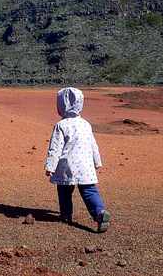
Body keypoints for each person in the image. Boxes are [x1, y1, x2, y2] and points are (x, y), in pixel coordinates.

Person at [44, 87, 111, 233]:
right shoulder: (86, 124)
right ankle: (99, 213)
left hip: (67, 167)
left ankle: (66, 215)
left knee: (64, 191)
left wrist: (50, 166)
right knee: (89, 191)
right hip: (86, 167)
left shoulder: (61, 125)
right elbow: (93, 145)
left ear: (61, 105)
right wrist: (97, 161)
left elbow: (55, 148)